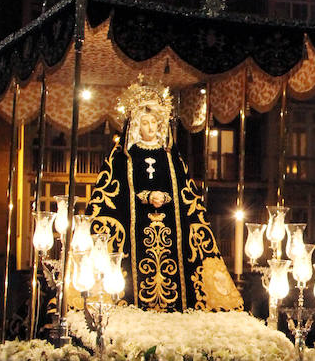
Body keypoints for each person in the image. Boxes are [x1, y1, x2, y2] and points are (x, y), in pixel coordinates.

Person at [85, 75, 243, 312]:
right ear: (136, 124)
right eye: (145, 123)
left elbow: (186, 194)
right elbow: (110, 198)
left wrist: (166, 198)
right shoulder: (122, 157)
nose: (151, 128)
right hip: (134, 234)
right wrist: (145, 198)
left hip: (171, 234)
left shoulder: (171, 156)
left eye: (154, 123)